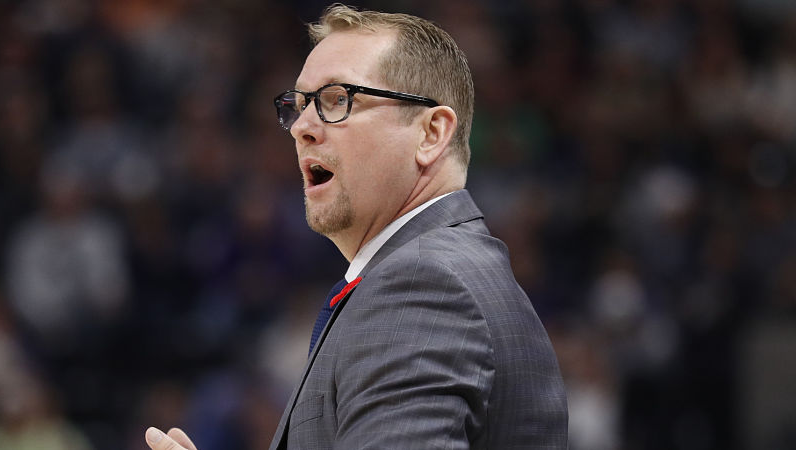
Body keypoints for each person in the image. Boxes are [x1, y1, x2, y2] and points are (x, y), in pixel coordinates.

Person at [145, 4, 568, 449]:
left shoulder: (424, 285)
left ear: (430, 134)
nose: (301, 128)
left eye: (337, 100)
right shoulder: (436, 272)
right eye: (299, 105)